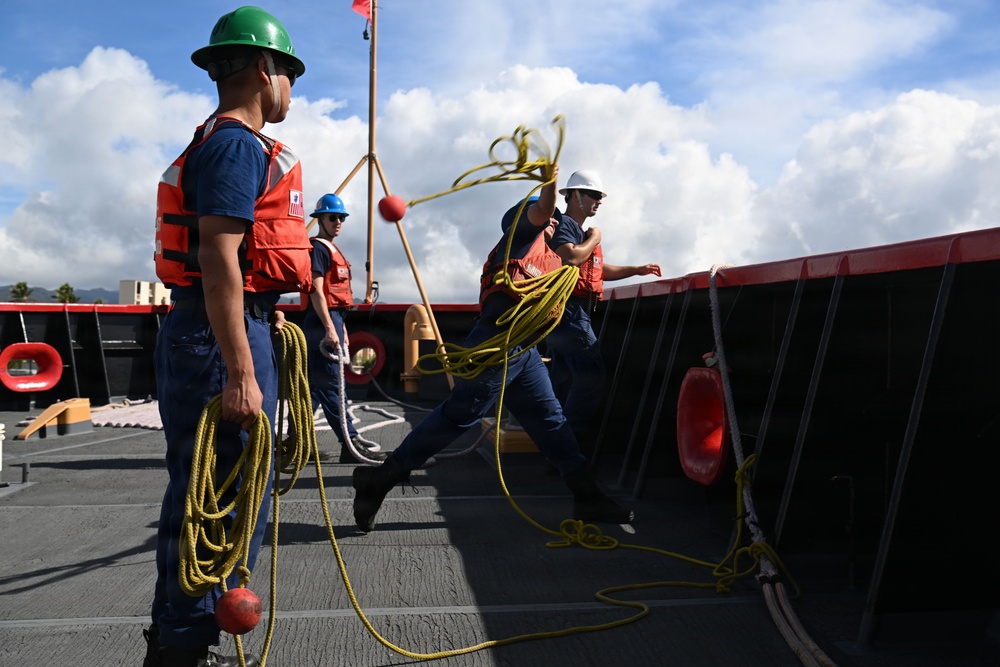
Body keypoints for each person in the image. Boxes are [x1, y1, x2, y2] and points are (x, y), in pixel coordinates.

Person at [145, 7, 310, 667]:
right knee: (213, 494)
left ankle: (180, 639)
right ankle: (183, 646)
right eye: (289, 75)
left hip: (227, 326)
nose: (290, 93)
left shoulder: (217, 140)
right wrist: (242, 371)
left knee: (222, 486)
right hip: (218, 338)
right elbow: (218, 257)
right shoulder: (238, 144)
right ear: (264, 70)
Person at [351, 165, 634, 534]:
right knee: (457, 416)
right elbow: (545, 210)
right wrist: (550, 181)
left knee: (551, 421)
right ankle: (381, 478)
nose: (548, 223)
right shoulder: (524, 231)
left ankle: (587, 496)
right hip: (496, 344)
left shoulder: (551, 245)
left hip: (524, 350)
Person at [545, 170, 661, 449]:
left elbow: (594, 269)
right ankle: (570, 450)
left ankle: (555, 449)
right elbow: (571, 256)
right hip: (570, 313)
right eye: (593, 195)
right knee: (590, 380)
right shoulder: (567, 226)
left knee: (564, 380)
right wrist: (595, 238)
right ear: (574, 195)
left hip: (566, 314)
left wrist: (635, 270)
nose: (599, 201)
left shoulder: (578, 231)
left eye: (600, 197)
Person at [303, 194, 385, 463]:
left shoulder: (331, 249)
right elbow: (316, 290)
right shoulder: (319, 249)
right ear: (320, 220)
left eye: (341, 218)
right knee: (332, 388)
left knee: (316, 389)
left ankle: (297, 443)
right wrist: (329, 327)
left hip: (333, 320)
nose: (338, 222)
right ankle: (348, 445)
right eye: (332, 217)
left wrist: (341, 329)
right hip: (321, 322)